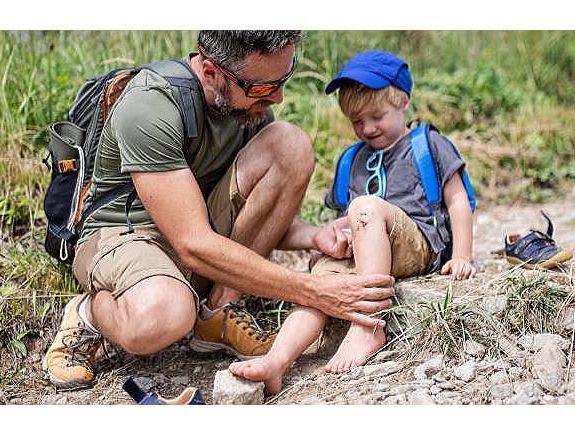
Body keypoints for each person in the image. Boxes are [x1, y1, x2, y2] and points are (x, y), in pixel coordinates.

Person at [42, 32, 395, 391]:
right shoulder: (149, 105)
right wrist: (314, 290)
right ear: (211, 73)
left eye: (282, 81)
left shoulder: (247, 103)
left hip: (194, 226)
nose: (277, 97)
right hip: (125, 234)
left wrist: (312, 235)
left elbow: (248, 211)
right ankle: (88, 315)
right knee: (163, 314)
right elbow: (193, 242)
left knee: (289, 144)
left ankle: (217, 310)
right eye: (262, 88)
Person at [229, 50, 476, 395]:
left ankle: (368, 326)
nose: (367, 128)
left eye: (377, 116)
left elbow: (457, 200)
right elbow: (343, 219)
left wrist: (461, 254)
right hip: (365, 248)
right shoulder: (353, 158)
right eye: (356, 121)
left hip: (416, 242)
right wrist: (334, 243)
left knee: (366, 206)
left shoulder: (427, 144)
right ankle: (277, 360)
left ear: (402, 101)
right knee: (318, 288)